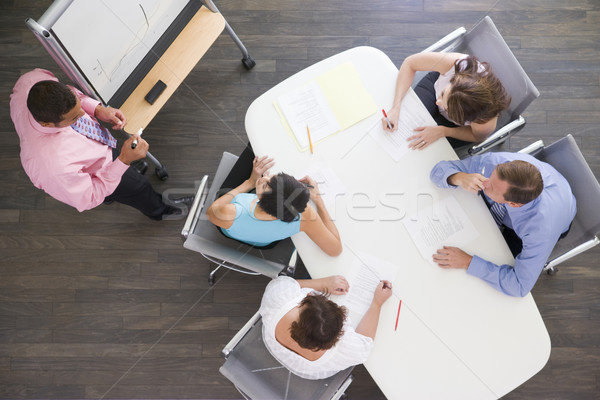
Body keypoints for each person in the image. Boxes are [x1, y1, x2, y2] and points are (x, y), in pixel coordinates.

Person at [10, 69, 185, 220]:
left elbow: (72, 93)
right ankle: (160, 211)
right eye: (74, 117)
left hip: (100, 148)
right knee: (140, 187)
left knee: (121, 175)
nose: (83, 114)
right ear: (47, 124)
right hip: (99, 173)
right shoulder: (51, 167)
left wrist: (97, 109)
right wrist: (124, 160)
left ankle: (112, 192)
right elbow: (90, 197)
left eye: (80, 109)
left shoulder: (33, 79)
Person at [429, 152, 576, 297]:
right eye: (490, 176)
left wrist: (468, 261)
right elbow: (440, 169)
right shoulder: (496, 164)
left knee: (494, 257)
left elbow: (519, 285)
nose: (483, 182)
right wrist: (459, 177)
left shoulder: (539, 230)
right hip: (545, 184)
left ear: (512, 204)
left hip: (545, 220)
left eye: (491, 187)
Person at [206, 145, 342, 256]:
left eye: (264, 185)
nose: (263, 178)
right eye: (273, 177)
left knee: (252, 149)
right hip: (265, 244)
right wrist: (318, 200)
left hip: (228, 229)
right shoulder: (304, 215)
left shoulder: (231, 212)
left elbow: (211, 211)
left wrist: (250, 182)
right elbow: (335, 249)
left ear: (260, 201)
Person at [259, 275, 393, 379]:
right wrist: (377, 303)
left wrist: (323, 284)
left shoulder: (278, 298)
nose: (309, 293)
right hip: (310, 367)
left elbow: (288, 284)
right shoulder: (345, 350)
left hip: (274, 340)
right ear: (339, 333)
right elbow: (365, 342)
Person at [383, 52, 510, 150]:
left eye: (447, 107)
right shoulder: (457, 64)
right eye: (444, 93)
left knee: (419, 146)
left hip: (453, 126)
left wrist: (444, 131)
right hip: (433, 89)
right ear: (455, 79)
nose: (438, 102)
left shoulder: (484, 121)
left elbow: (476, 136)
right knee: (404, 122)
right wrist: (396, 106)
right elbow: (410, 63)